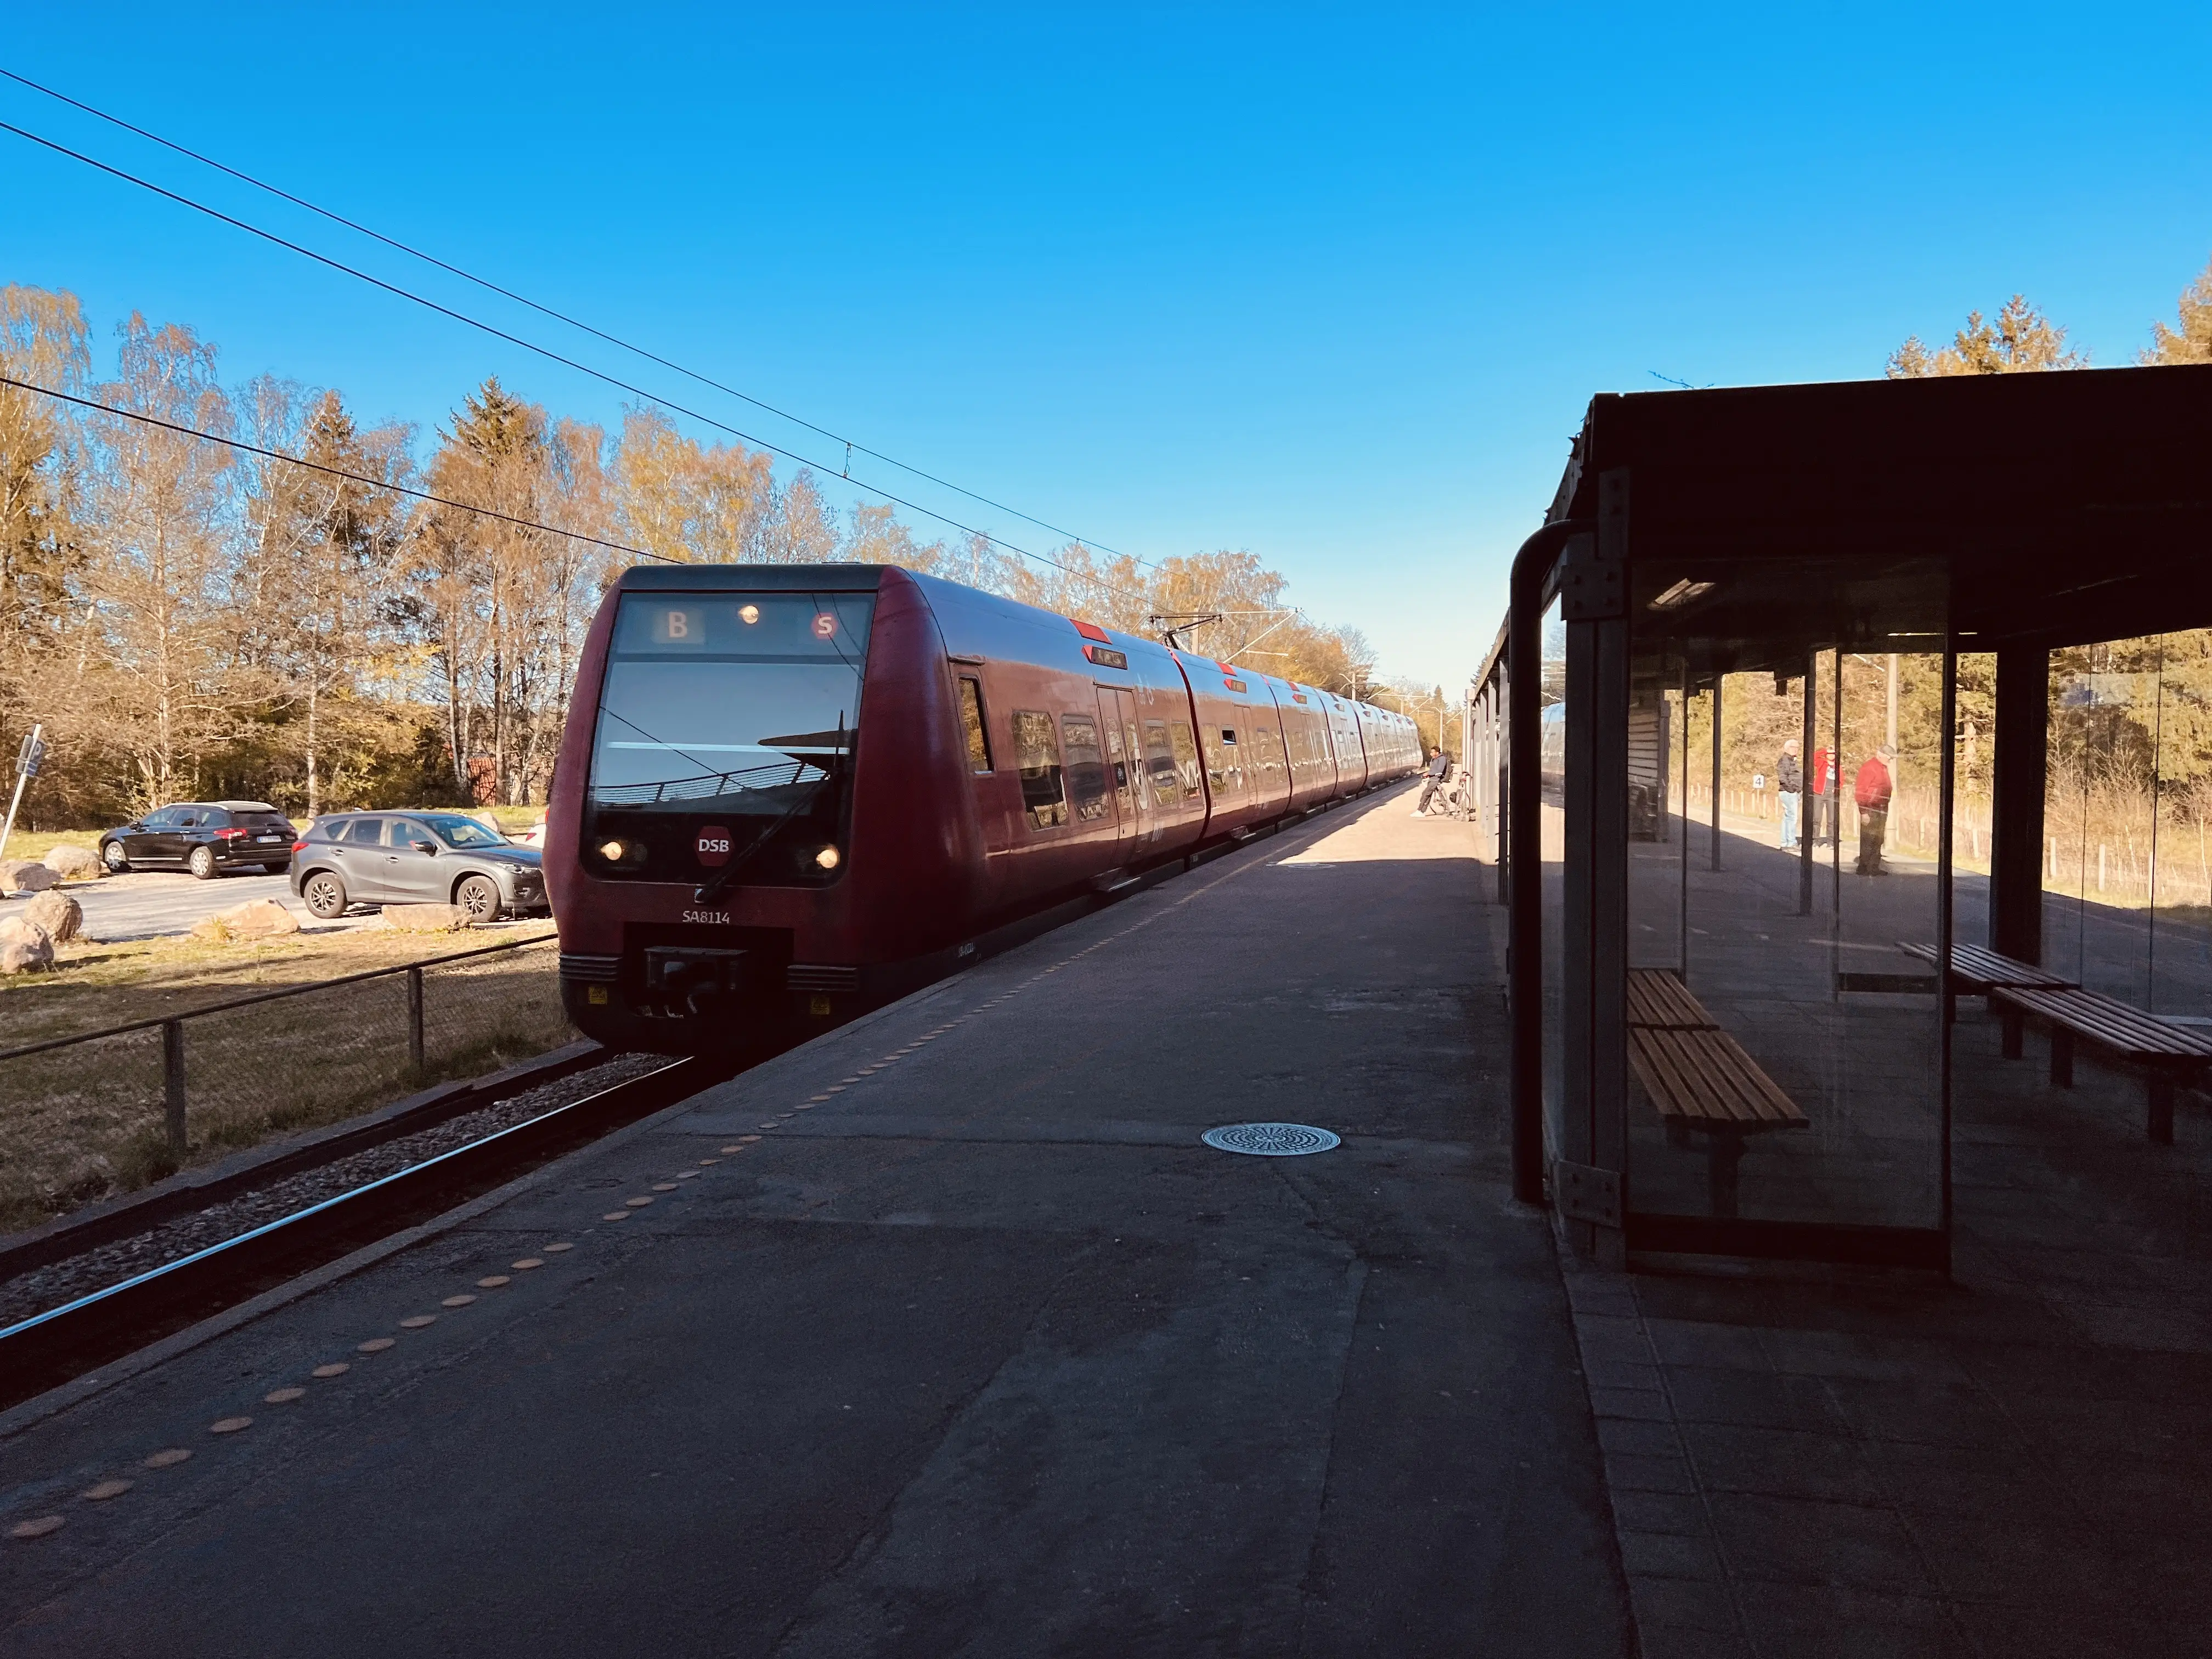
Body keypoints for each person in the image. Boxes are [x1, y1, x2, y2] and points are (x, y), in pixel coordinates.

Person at [1854, 747, 1894, 875]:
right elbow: (1861, 791)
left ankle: (1874, 866)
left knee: (1878, 838)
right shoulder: (1869, 768)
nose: (1891, 760)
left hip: (1881, 808)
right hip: (1871, 808)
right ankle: (1864, 867)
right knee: (1869, 838)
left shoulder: (1883, 768)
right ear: (1880, 754)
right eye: (1889, 757)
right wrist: (1864, 811)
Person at [1776, 738, 1802, 850]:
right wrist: (1792, 789)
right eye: (1794, 747)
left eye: (1797, 747)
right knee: (1792, 817)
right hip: (1788, 792)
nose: (1796, 749)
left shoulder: (1791, 760)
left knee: (1788, 817)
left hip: (1789, 792)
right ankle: (1791, 842)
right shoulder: (1785, 760)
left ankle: (1785, 842)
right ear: (1787, 748)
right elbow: (1783, 777)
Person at [1809, 744, 1836, 843]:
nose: (1832, 756)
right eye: (1830, 754)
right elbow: (1813, 757)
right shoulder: (1822, 763)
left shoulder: (1838, 766)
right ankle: (1816, 840)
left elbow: (1842, 779)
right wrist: (1825, 750)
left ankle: (1830, 841)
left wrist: (1837, 789)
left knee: (1831, 820)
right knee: (1817, 818)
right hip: (1819, 793)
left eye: (1834, 754)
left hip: (1831, 795)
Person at [1413, 746, 1451, 815]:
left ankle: (1420, 811)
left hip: (1436, 779)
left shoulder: (1442, 759)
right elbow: (1433, 769)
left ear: (1437, 752)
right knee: (1426, 793)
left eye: (1432, 752)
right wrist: (1428, 774)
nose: (1431, 754)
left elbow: (1439, 770)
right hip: (1433, 779)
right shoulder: (1435, 759)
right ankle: (1421, 811)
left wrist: (1429, 773)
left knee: (1426, 794)